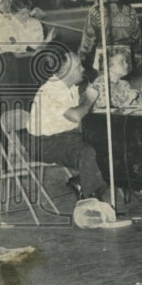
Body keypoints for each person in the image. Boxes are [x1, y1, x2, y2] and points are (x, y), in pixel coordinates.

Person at [26, 50, 109, 202]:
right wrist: (90, 98)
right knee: (87, 152)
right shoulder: (50, 91)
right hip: (43, 142)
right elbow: (75, 115)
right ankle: (90, 200)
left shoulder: (70, 87)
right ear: (65, 72)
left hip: (66, 136)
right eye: (78, 66)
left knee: (107, 143)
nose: (83, 69)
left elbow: (78, 115)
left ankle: (81, 181)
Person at [78, 0, 142, 74]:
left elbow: (89, 38)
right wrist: (138, 54)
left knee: (104, 85)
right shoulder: (130, 10)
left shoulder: (95, 10)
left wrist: (82, 56)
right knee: (123, 85)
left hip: (103, 55)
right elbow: (137, 36)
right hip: (125, 56)